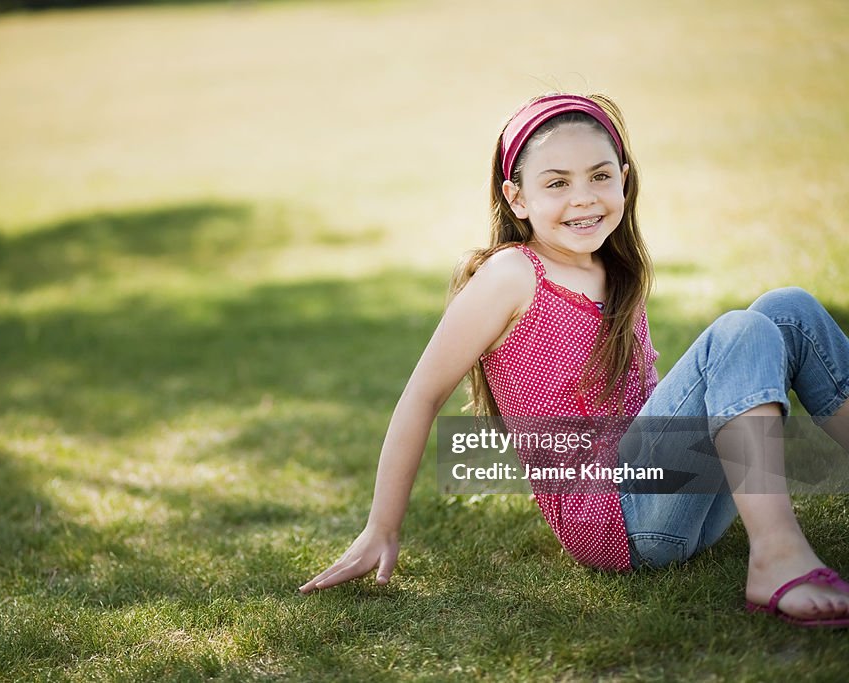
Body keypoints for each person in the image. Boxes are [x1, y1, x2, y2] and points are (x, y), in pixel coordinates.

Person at [298, 93, 849, 627]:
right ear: (516, 199)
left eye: (600, 176)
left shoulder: (616, 269)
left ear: (624, 179)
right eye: (557, 183)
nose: (583, 197)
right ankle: (776, 553)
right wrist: (381, 527)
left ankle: (774, 538)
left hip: (679, 505)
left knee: (790, 309)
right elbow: (421, 396)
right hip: (616, 521)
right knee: (739, 330)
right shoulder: (512, 275)